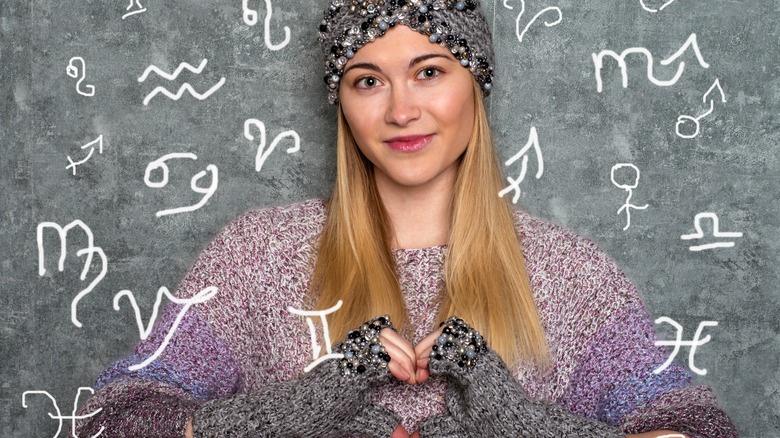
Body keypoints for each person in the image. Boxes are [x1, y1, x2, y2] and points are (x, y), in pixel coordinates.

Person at [75, 0, 739, 436]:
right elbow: (113, 420)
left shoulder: (572, 276)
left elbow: (695, 429)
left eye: (428, 71)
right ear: (343, 104)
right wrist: (290, 415)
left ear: (474, 85)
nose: (400, 111)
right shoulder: (259, 255)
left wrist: (514, 424)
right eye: (368, 80)